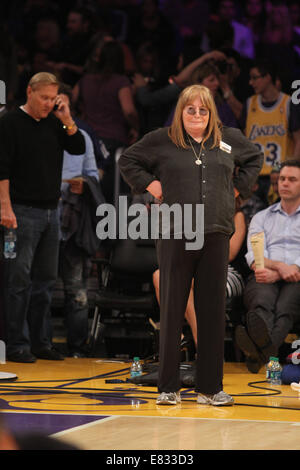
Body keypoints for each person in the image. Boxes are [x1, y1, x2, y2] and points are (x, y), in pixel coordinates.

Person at [119, 84, 263, 406]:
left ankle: (210, 388)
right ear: (180, 111)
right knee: (172, 309)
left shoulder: (228, 138)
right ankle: (168, 387)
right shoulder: (162, 139)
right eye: (190, 109)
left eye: (203, 109)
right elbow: (128, 160)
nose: (197, 115)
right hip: (175, 233)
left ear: (211, 113)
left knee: (212, 311)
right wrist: (151, 184)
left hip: (215, 233)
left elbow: (256, 158)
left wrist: (236, 191)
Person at [0, 72, 85, 363]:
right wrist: (5, 207)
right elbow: (2, 169)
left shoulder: (55, 123)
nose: (49, 103)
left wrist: (67, 116)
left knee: (46, 281)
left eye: (53, 98)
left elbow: (78, 147)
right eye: (45, 98)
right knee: (18, 280)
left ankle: (41, 342)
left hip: (52, 211)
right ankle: (16, 344)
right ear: (29, 92)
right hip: (21, 211)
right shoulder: (9, 123)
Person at [235, 160, 300, 373]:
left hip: (298, 277)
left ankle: (258, 353)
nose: (285, 183)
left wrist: (291, 270)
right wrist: (280, 268)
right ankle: (267, 351)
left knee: (285, 308)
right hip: (265, 272)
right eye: (282, 179)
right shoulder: (261, 217)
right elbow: (254, 253)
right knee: (261, 302)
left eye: (292, 179)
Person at [58, 88, 101, 358]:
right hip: (39, 213)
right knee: (34, 285)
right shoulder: (32, 134)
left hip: (72, 220)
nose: (55, 107)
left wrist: (82, 184)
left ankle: (76, 348)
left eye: (60, 103)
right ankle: (31, 343)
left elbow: (93, 176)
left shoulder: (81, 137)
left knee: (77, 290)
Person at [241, 58, 300, 204]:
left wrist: (291, 171)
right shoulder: (249, 104)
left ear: (268, 77)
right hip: (255, 177)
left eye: (255, 78)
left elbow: (298, 140)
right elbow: (242, 142)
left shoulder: (288, 103)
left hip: (280, 176)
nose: (251, 82)